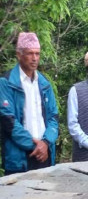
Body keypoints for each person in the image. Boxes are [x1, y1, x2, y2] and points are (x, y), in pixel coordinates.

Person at [0, 32, 58, 174]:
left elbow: (54, 117)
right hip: (20, 157)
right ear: (19, 55)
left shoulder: (44, 84)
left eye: (37, 54)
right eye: (30, 53)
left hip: (45, 153)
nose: (34, 58)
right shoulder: (7, 83)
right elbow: (8, 121)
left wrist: (45, 143)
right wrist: (34, 146)